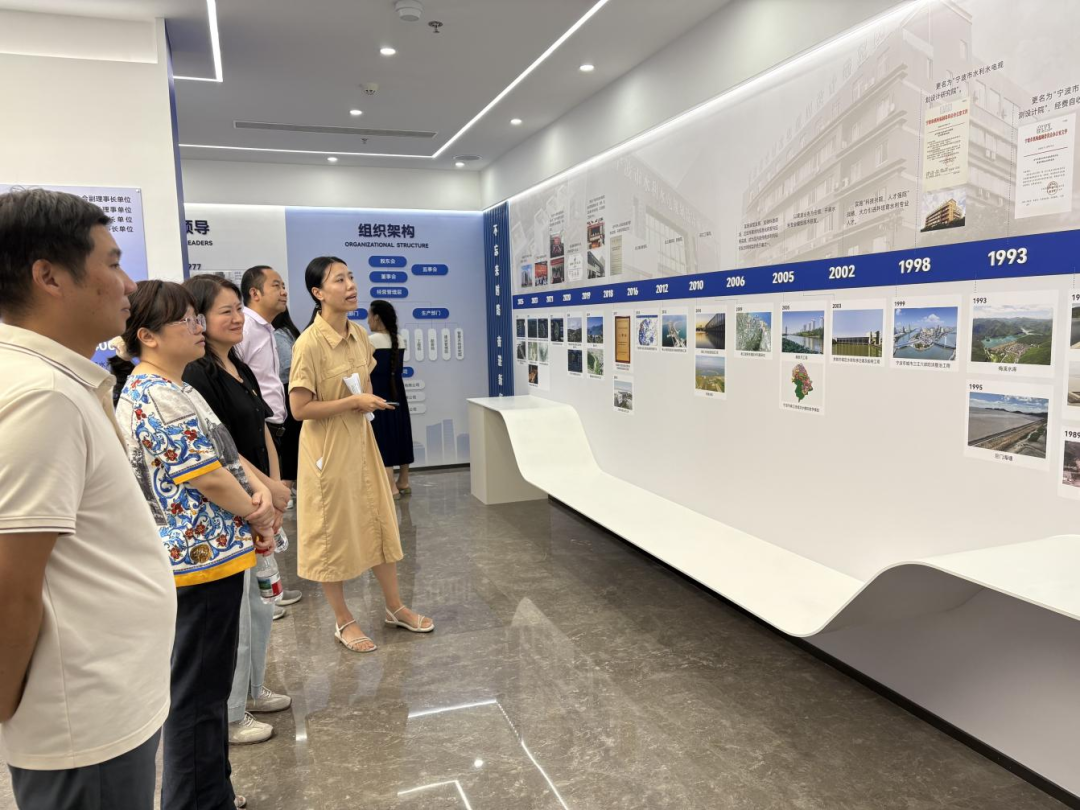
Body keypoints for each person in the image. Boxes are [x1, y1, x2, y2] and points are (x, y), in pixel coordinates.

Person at [0, 188, 176, 810]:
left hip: (101, 701)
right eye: (113, 263)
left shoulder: (59, 382)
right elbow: (11, 582)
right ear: (49, 276)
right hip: (83, 719)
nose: (128, 284)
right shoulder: (42, 396)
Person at [113, 279, 276, 810]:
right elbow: (205, 474)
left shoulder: (174, 386)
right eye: (186, 320)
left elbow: (221, 462)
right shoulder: (156, 392)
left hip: (210, 554)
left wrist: (255, 500)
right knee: (197, 695)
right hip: (195, 562)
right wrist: (256, 508)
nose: (198, 327)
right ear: (148, 335)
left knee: (207, 690)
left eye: (196, 317)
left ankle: (212, 792)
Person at [290, 256, 433, 653]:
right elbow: (300, 409)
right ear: (318, 293)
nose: (351, 285)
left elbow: (364, 383)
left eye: (351, 277)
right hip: (327, 452)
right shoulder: (309, 344)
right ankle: (344, 620)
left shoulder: (358, 334)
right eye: (339, 280)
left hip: (362, 443)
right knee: (330, 534)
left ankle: (395, 607)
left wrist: (363, 401)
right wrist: (353, 402)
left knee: (379, 523)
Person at [182, 275, 293, 747]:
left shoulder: (238, 364)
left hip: (261, 500)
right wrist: (264, 490)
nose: (235, 318)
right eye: (224, 310)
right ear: (198, 319)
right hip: (236, 504)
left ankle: (252, 688)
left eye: (236, 309)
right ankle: (230, 713)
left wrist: (277, 486)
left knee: (261, 605)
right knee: (238, 616)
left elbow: (261, 426)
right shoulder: (198, 374)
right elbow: (222, 449)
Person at [235, 264, 302, 614]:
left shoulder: (268, 328)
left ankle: (271, 593)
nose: (284, 291)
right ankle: (264, 601)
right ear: (255, 293)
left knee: (272, 510)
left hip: (272, 427)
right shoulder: (247, 327)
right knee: (260, 510)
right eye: (276, 285)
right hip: (256, 429)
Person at [367, 300, 415, 498]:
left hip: (379, 395)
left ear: (376, 317)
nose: (368, 320)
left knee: (383, 438)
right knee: (401, 435)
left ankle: (390, 488)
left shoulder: (371, 341)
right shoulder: (399, 340)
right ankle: (403, 481)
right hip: (398, 394)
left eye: (369, 315)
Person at [271, 306, 303, 485]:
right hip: (294, 388)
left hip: (287, 388)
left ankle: (287, 484)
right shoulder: (291, 332)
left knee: (289, 440)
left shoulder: (278, 334)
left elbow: (289, 365)